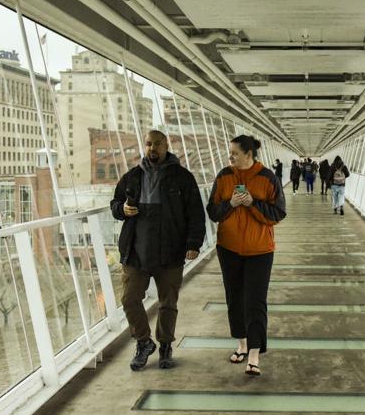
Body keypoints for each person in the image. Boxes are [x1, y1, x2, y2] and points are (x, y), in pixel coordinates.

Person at [111, 130, 206, 371]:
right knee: (129, 299)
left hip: (170, 251)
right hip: (136, 252)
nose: (152, 148)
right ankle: (144, 342)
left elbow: (196, 212)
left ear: (166, 146)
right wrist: (122, 209)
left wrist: (193, 244)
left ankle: (165, 346)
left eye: (157, 144)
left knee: (167, 303)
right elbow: (115, 204)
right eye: (148, 144)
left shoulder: (182, 178)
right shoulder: (132, 177)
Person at [206, 135, 286, 376]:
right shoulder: (224, 176)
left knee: (255, 301)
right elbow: (213, 212)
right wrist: (231, 203)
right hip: (228, 249)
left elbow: (278, 213)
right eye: (230, 153)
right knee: (234, 298)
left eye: (235, 153)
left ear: (248, 154)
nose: (230, 157)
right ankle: (241, 343)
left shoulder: (267, 177)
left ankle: (254, 354)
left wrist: (252, 203)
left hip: (260, 251)